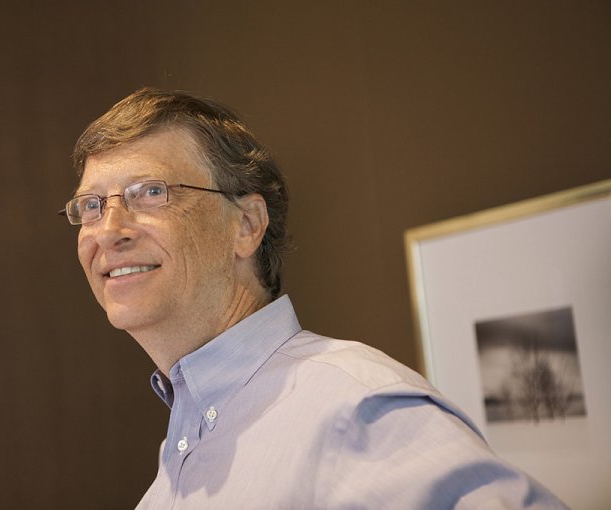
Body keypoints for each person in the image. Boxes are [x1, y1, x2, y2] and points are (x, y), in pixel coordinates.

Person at [63, 88, 567, 509]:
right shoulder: (178, 459)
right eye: (91, 205)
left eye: (151, 192)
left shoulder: (353, 411)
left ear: (247, 226)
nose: (107, 230)